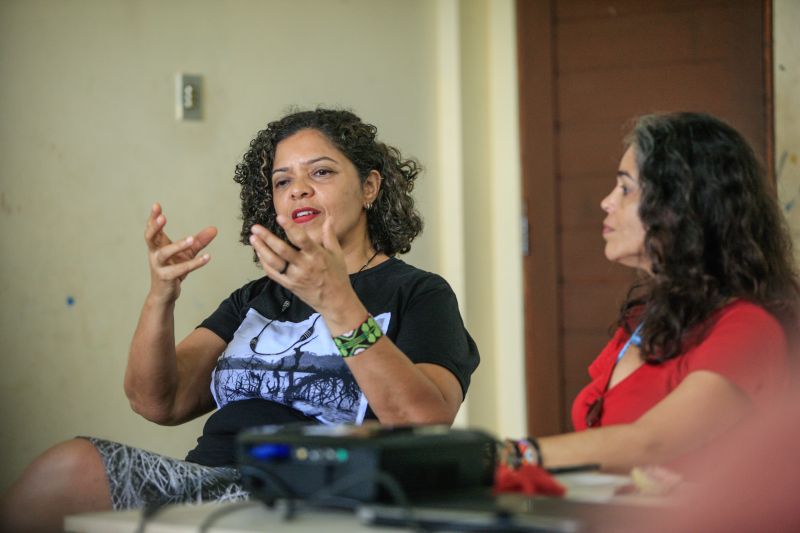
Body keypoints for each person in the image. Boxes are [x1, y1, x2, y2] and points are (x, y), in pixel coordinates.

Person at [0, 108, 480, 531]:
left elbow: (425, 420)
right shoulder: (255, 298)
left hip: (317, 498)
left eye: (322, 172)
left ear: (370, 186)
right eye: (282, 180)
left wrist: (338, 302)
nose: (299, 190)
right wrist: (161, 295)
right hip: (212, 481)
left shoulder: (419, 293)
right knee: (68, 471)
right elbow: (157, 400)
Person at [513, 112, 799, 474]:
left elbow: (650, 442)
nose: (607, 202)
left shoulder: (749, 328)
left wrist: (509, 457)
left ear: (681, 205)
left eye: (626, 188)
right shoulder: (643, 319)